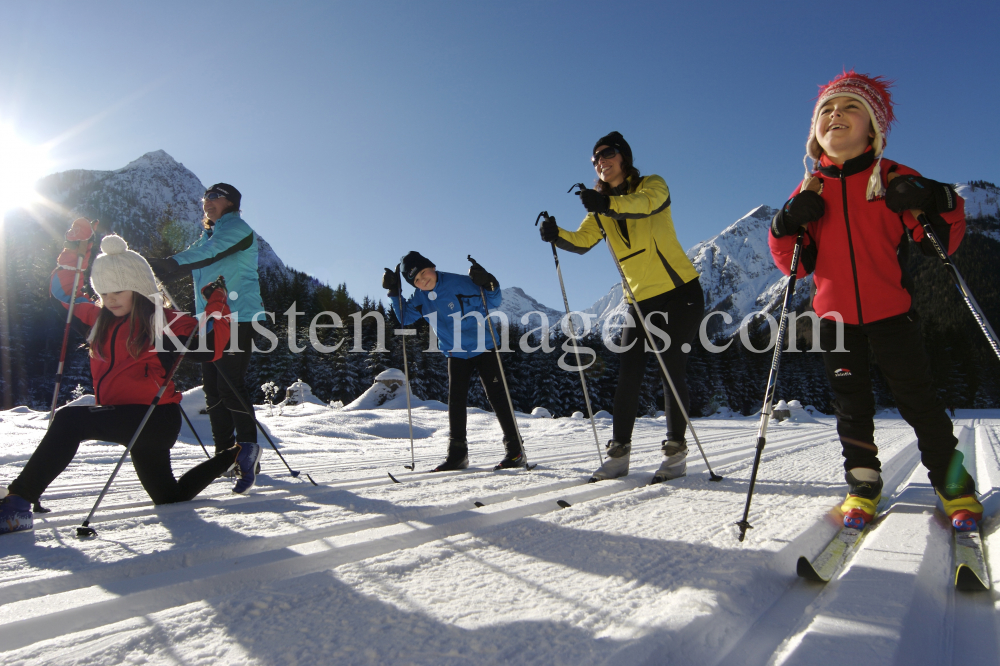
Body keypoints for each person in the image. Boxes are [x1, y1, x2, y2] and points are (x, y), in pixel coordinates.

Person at [768, 70, 982, 531]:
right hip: (835, 318)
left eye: (849, 108)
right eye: (825, 110)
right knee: (851, 407)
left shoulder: (891, 177)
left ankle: (954, 484)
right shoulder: (809, 191)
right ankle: (863, 485)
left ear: (873, 127)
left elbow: (936, 241)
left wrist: (937, 197)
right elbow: (794, 265)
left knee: (918, 400)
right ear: (815, 132)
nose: (835, 115)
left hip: (892, 313)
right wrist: (784, 224)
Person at [0, 226, 262, 535]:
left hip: (154, 418)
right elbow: (64, 293)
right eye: (104, 293)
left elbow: (210, 348)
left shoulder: (163, 320)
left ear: (138, 288)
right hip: (121, 415)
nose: (110, 300)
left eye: (118, 291)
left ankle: (17, 504)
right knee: (169, 497)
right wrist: (75, 247)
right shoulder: (99, 320)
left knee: (71, 419)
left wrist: (218, 305)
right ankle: (238, 452)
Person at [538, 131, 704, 484]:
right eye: (595, 158)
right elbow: (582, 241)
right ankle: (618, 454)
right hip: (638, 300)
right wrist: (556, 235)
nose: (601, 161)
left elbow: (647, 205)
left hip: (679, 293)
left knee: (670, 372)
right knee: (628, 374)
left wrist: (607, 205)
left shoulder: (651, 185)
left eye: (607, 153)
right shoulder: (600, 206)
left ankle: (675, 454)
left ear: (624, 157)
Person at [149, 183, 263, 460]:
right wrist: (164, 268)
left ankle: (248, 450)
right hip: (211, 320)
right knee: (213, 390)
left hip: (239, 316)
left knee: (230, 385)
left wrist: (169, 264)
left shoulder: (237, 229)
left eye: (215, 197)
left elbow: (211, 253)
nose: (207, 202)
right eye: (205, 197)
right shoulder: (208, 235)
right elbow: (199, 254)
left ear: (232, 203)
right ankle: (224, 454)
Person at [382, 252, 524, 471]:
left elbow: (494, 300)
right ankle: (457, 455)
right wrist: (394, 292)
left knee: (497, 396)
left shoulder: (461, 282)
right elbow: (404, 317)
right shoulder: (420, 297)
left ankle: (515, 450)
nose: (422, 280)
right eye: (416, 280)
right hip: (455, 352)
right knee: (456, 401)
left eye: (423, 272)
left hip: (484, 346)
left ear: (432, 266)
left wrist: (488, 281)